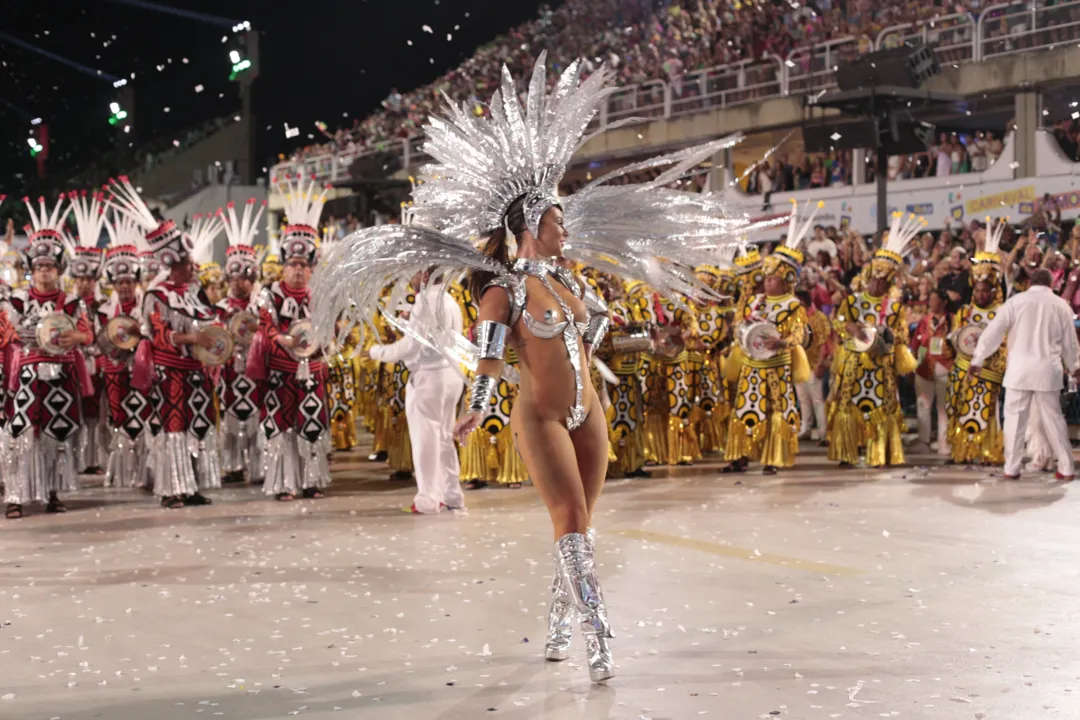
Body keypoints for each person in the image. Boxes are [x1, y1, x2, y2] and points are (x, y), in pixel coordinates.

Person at [313, 53, 757, 684]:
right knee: (570, 520)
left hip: (587, 413)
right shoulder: (504, 291)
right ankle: (597, 636)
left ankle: (556, 622)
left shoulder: (570, 284)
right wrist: (479, 408)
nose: (564, 227)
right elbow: (491, 360)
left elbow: (596, 349)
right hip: (542, 415)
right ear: (529, 223)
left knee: (581, 525)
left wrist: (649, 346)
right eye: (555, 219)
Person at [108, 176, 225, 509]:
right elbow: (157, 334)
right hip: (170, 375)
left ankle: (191, 486)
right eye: (187, 263)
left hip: (195, 373)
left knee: (196, 428)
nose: (193, 267)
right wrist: (191, 337)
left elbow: (211, 321)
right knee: (172, 430)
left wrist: (214, 342)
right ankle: (171, 489)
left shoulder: (195, 293)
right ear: (171, 264)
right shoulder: (156, 296)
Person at [4, 197, 93, 520]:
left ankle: (51, 492)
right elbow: (10, 334)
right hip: (29, 375)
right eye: (39, 266)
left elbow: (87, 334)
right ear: (32, 270)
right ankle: (16, 495)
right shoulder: (17, 300)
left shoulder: (70, 302)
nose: (45, 271)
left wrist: (75, 337)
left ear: (58, 269)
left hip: (61, 375)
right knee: (24, 433)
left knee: (58, 432)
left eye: (50, 266)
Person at [250, 177, 332, 501]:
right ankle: (285, 483)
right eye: (292, 264)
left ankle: (311, 482)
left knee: (311, 426)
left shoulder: (319, 295)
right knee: (282, 428)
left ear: (311, 267)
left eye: (303, 265)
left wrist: (326, 349)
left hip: (312, 374)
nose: (298, 270)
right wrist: (284, 340)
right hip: (280, 374)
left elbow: (330, 331)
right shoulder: (270, 294)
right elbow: (265, 328)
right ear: (283, 265)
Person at [722, 201, 815, 475]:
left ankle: (773, 458)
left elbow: (798, 334)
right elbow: (740, 325)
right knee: (745, 410)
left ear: (787, 280)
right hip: (751, 368)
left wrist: (782, 342)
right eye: (768, 277)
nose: (768, 281)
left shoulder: (794, 305)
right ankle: (739, 456)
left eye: (774, 278)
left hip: (776, 368)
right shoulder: (754, 300)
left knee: (776, 412)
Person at [367, 268, 465, 514]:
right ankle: (452, 494)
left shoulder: (424, 301)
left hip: (429, 377)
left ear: (423, 274)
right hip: (451, 375)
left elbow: (411, 347)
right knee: (444, 438)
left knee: (425, 440)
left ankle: (428, 499)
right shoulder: (450, 299)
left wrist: (376, 352)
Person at [828, 213, 922, 468]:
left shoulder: (893, 307)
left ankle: (880, 453)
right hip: (853, 361)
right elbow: (837, 322)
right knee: (847, 405)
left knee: (882, 405)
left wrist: (884, 335)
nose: (878, 283)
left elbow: (901, 334)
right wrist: (849, 326)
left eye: (884, 280)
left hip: (881, 364)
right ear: (868, 276)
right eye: (874, 278)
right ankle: (847, 452)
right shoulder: (852, 301)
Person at [969, 267, 1080, 480]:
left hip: (1018, 371)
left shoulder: (1015, 302)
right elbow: (1070, 343)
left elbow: (993, 331)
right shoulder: (1060, 306)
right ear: (1051, 284)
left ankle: (1011, 468)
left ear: (1030, 282)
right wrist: (1075, 367)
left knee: (1015, 422)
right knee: (1054, 420)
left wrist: (978, 358)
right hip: (1048, 371)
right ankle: (1066, 468)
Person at [98, 216, 154, 490]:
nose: (124, 287)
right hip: (114, 374)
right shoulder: (104, 310)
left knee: (142, 417)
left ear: (136, 282)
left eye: (129, 282)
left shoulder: (147, 307)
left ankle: (143, 473)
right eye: (119, 282)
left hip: (142, 374)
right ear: (113, 284)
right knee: (118, 419)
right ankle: (121, 473)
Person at [948, 221, 1007, 465]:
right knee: (963, 410)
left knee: (986, 412)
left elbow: (1004, 343)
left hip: (989, 372)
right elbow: (955, 338)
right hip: (963, 371)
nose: (982, 295)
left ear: (994, 290)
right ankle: (964, 451)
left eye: (986, 290)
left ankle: (988, 452)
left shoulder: (1002, 312)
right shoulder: (964, 311)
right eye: (979, 290)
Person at [216, 199, 266, 484]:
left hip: (255, 371)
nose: (237, 283)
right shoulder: (222, 307)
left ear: (251, 277)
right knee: (233, 417)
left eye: (242, 277)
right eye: (232, 277)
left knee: (256, 416)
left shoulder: (260, 305)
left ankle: (258, 467)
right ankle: (234, 465)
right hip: (230, 374)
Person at [67, 190, 109, 474]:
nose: (84, 284)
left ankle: (94, 459)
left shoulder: (105, 306)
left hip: (99, 366)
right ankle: (78, 458)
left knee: (97, 413)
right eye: (79, 279)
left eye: (88, 279)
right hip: (74, 365)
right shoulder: (67, 306)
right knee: (77, 413)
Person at [909, 289, 953, 456]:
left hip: (945, 366)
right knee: (923, 406)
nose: (932, 303)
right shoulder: (924, 321)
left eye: (935, 299)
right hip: (925, 367)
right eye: (930, 299)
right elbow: (914, 344)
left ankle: (944, 442)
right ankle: (924, 441)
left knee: (943, 408)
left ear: (944, 302)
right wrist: (911, 366)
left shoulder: (952, 320)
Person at [797, 288, 831, 442]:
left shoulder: (818, 318)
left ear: (804, 301)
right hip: (799, 364)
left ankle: (824, 432)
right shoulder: (796, 318)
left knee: (818, 400)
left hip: (813, 363)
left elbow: (825, 342)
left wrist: (820, 364)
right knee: (803, 399)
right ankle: (806, 428)